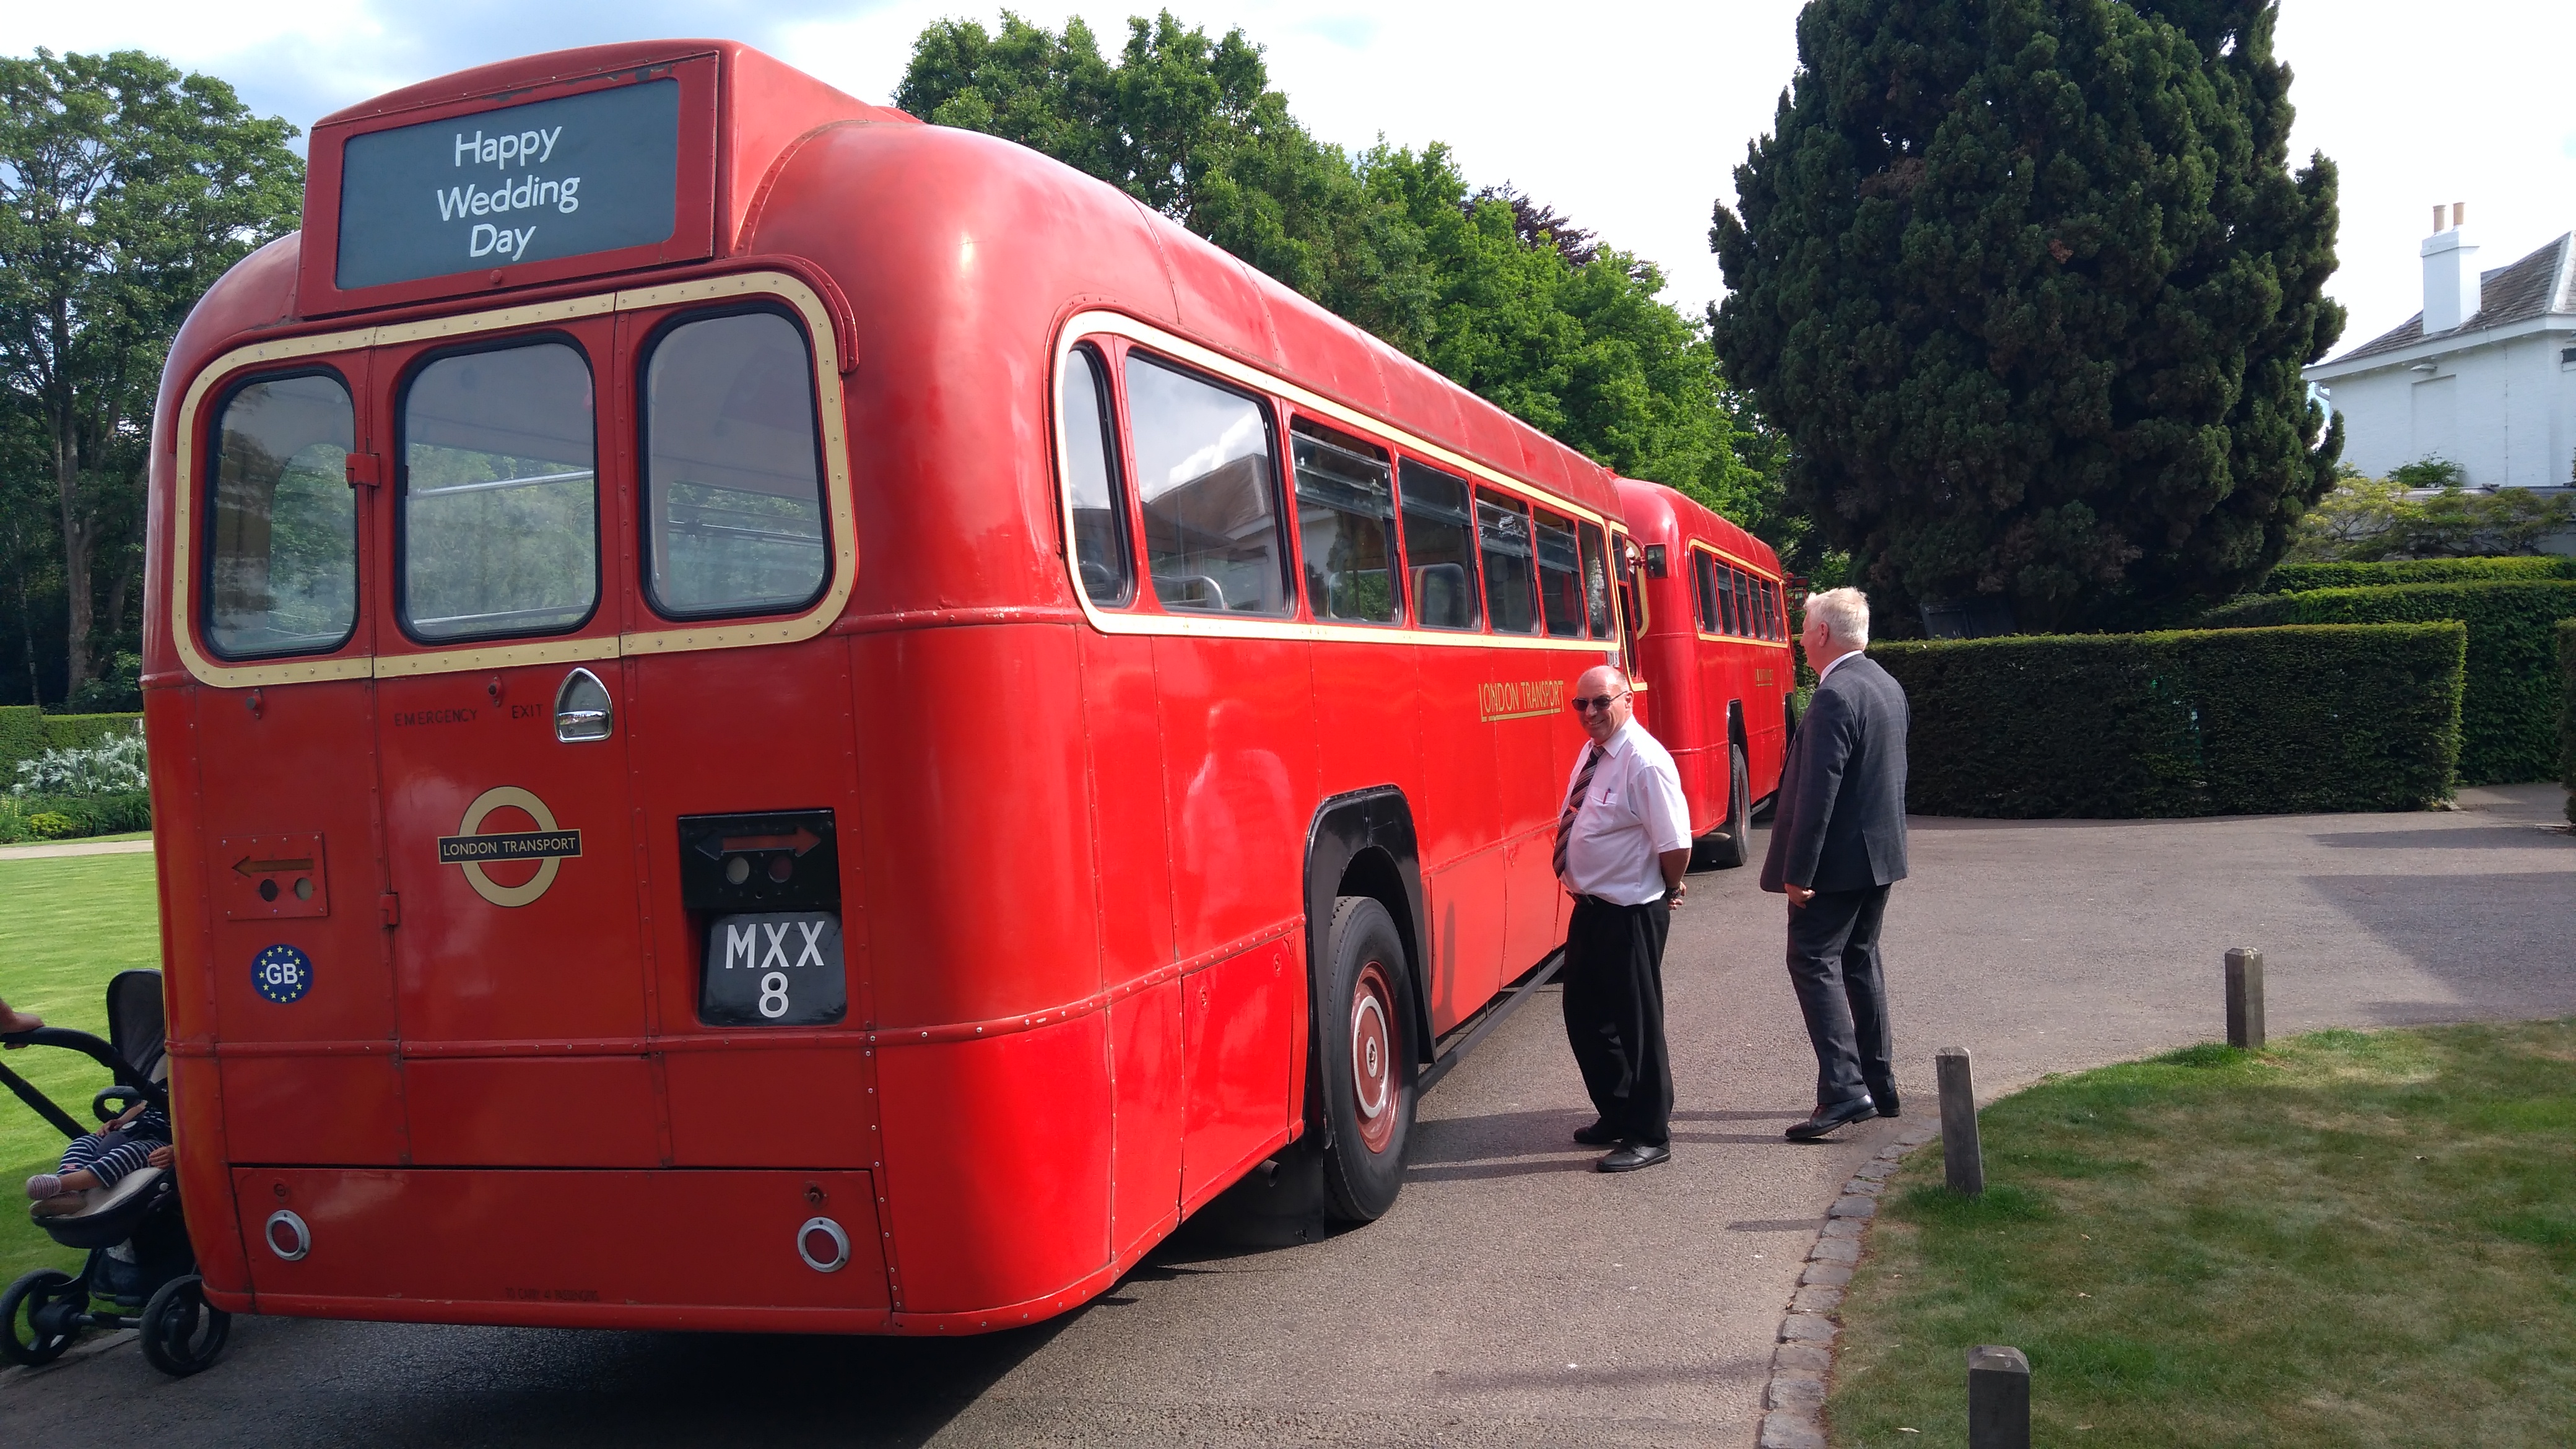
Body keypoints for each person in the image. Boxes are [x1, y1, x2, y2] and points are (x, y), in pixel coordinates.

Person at [1762, 586, 1910, 1141]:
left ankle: (1846, 1092)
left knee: (1812, 960)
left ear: (1823, 633)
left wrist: (1798, 873)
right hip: (1880, 858)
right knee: (1859, 960)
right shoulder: (1885, 684)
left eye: (1804, 627)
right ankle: (1880, 1082)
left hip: (1838, 866)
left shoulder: (1833, 696)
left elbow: (1817, 795)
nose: (1801, 638)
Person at [1554, 663, 1692, 1173]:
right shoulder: (1594, 753)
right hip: (1592, 909)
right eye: (1581, 704)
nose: (1590, 712)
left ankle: (1651, 1133)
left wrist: (1669, 886)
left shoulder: (1644, 761)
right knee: (1586, 1017)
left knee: (1638, 1026)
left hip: (1631, 910)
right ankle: (1618, 1111)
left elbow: (1675, 843)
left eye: (1601, 702)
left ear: (1627, 700)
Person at [27, 1097, 174, 1217]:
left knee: (127, 1154)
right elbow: (142, 1106)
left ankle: (61, 1185)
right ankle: (70, 1194)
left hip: (163, 1141)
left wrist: (175, 1150)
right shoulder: (161, 1085)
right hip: (133, 1130)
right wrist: (121, 1120)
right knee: (83, 1143)